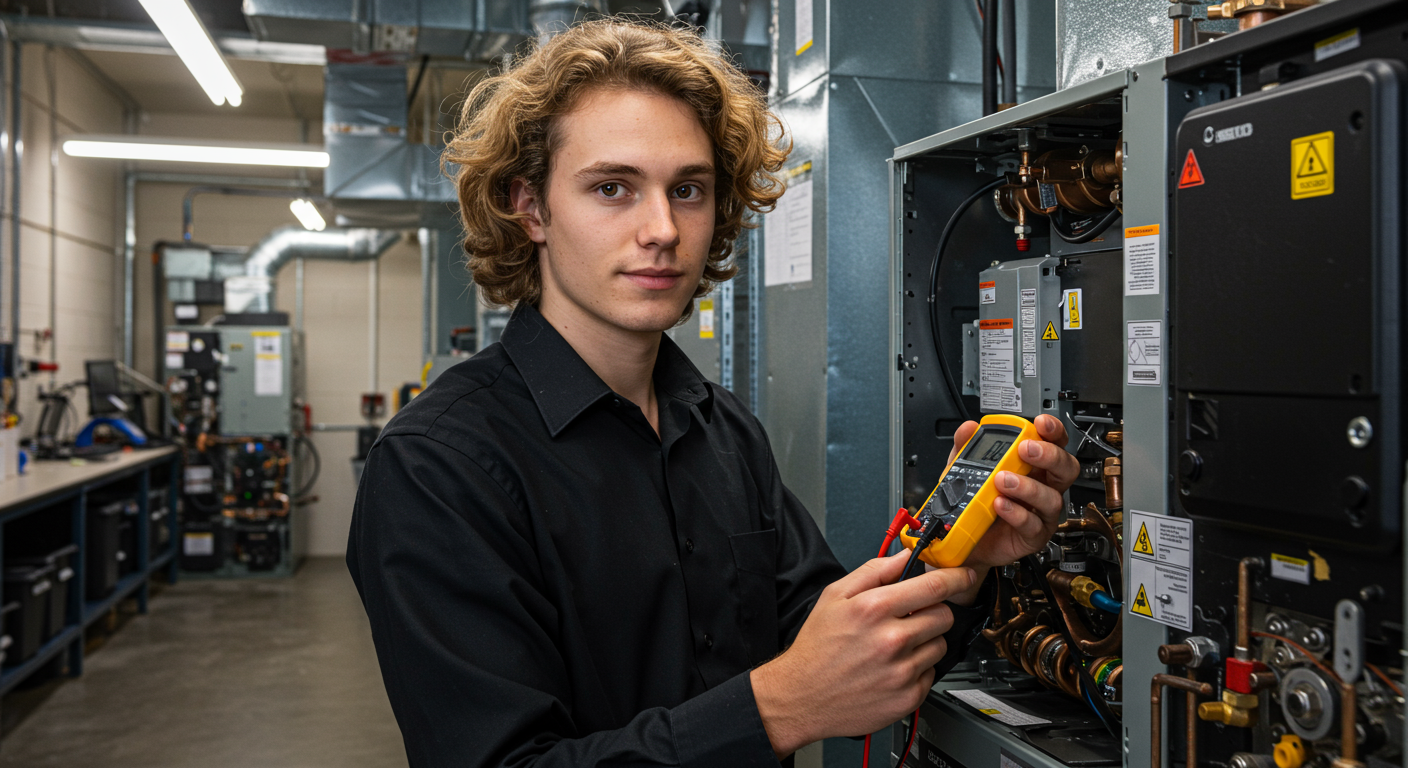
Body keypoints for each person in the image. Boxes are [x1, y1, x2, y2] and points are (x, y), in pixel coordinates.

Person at [346, 18, 1079, 768]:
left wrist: (962, 563)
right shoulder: (438, 468)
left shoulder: (721, 429)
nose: (662, 228)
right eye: (612, 188)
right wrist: (778, 708)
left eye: (688, 189)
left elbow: (824, 646)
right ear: (529, 206)